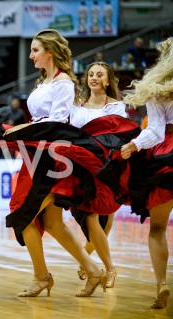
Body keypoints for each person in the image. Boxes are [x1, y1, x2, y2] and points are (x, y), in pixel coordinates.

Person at [0, 29, 108, 297]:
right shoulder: (43, 82)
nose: (32, 55)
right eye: (31, 50)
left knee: (23, 216)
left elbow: (58, 122)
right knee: (54, 224)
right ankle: (91, 271)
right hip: (36, 155)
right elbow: (40, 121)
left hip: (53, 159)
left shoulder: (64, 83)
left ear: (50, 52)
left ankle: (42, 277)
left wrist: (21, 127)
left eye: (35, 50)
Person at [120, 37, 173, 309]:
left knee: (158, 229)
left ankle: (162, 284)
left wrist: (132, 144)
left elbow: (155, 132)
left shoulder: (158, 89)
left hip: (165, 158)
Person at [69, 61, 131, 288]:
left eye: (99, 75)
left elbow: (116, 137)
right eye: (91, 74)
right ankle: (93, 263)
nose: (94, 77)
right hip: (77, 165)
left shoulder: (115, 107)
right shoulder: (76, 105)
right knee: (86, 216)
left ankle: (105, 268)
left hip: (104, 167)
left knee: (98, 215)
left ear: (107, 81)